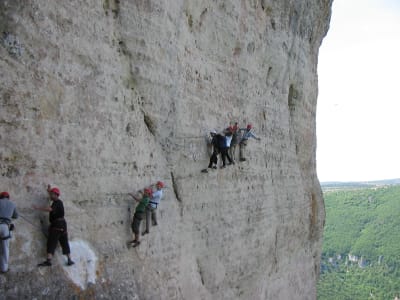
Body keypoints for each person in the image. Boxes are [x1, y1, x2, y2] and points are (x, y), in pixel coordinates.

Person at [33, 185, 74, 267]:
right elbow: (53, 196)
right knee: (64, 241)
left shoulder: (57, 202)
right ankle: (69, 259)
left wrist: (38, 208)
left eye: (52, 194)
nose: (50, 196)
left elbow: (50, 209)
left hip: (56, 225)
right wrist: (49, 191)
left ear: (56, 195)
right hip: (62, 225)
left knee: (52, 241)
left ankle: (48, 260)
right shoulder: (58, 202)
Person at [0, 191, 18, 273]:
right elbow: (16, 216)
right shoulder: (12, 204)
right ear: (8, 197)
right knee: (5, 248)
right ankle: (4, 268)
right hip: (5, 227)